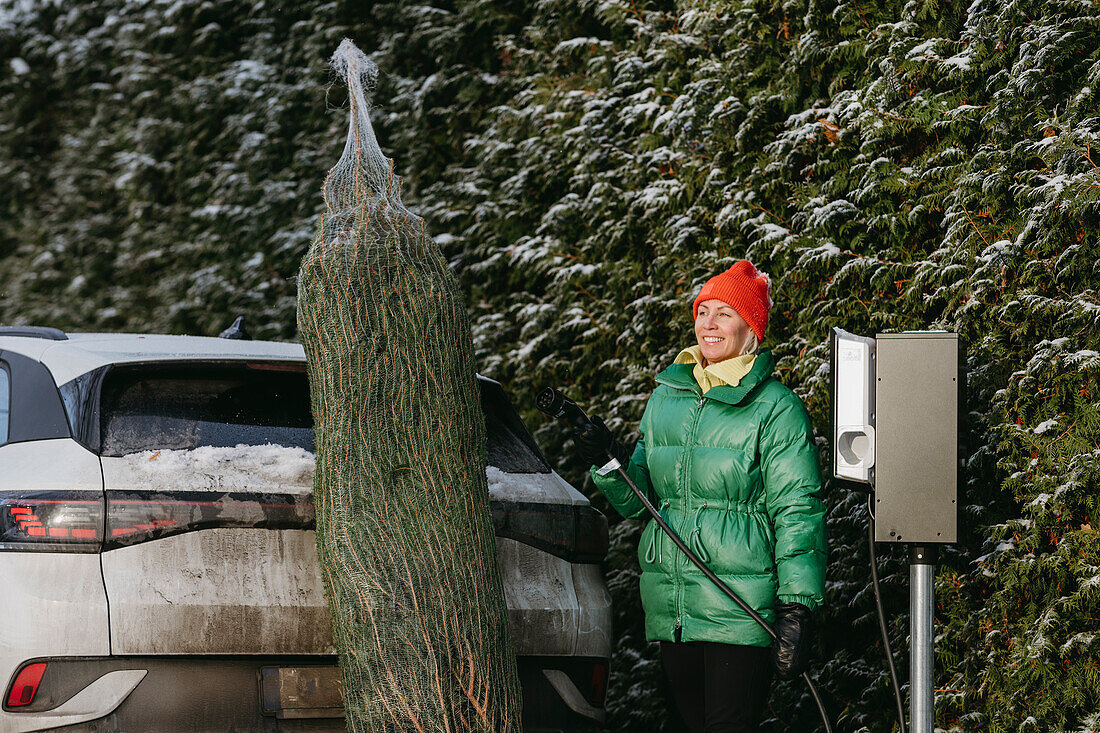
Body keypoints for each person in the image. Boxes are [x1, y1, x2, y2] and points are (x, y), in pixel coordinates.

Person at [573, 260, 826, 733]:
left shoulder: (776, 408)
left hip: (739, 606)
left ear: (750, 328)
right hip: (675, 609)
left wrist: (797, 606)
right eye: (703, 310)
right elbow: (640, 503)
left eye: (724, 313)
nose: (708, 323)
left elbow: (798, 512)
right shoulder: (667, 397)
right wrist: (608, 459)